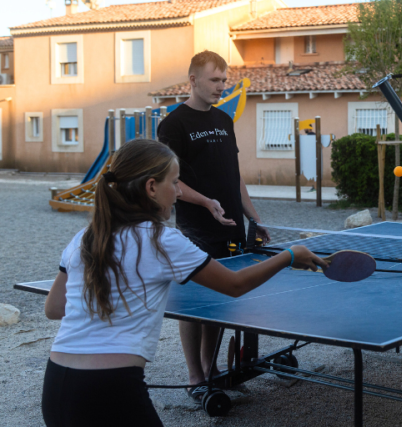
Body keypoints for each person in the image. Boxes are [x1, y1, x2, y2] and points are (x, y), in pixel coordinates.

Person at [42, 139, 325, 427]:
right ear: (151, 187)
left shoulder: (85, 237)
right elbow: (235, 285)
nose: (178, 192)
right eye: (175, 182)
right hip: (112, 387)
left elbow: (54, 308)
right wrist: (289, 256)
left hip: (56, 385)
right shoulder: (161, 240)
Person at [157, 50, 271, 399]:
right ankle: (195, 377)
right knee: (195, 304)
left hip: (231, 227)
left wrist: (253, 217)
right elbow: (171, 180)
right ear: (193, 80)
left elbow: (234, 176)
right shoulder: (173, 124)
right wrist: (206, 202)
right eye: (215, 80)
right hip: (197, 230)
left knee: (220, 301)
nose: (222, 86)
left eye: (224, 80)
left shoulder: (223, 120)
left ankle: (212, 369)